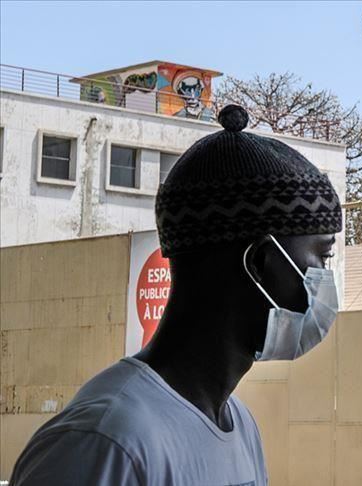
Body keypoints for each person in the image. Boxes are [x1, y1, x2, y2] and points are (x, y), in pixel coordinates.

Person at [10, 105, 343, 485]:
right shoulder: (105, 442)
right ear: (260, 264)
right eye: (322, 256)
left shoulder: (240, 426)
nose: (325, 278)